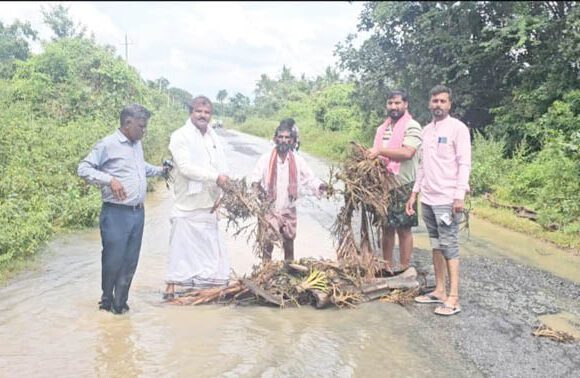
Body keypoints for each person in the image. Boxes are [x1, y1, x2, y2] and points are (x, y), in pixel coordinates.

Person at [78, 104, 167, 314]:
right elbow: (83, 168)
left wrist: (161, 170)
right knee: (113, 260)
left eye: (145, 127)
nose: (144, 131)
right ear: (127, 123)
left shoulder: (136, 144)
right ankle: (106, 301)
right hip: (116, 213)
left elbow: (141, 168)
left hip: (137, 213)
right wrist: (110, 180)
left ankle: (121, 306)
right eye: (141, 127)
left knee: (130, 262)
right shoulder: (108, 144)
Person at [406, 85, 471, 316]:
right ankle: (440, 290)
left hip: (448, 198)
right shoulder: (426, 131)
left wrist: (459, 195)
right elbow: (422, 166)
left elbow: (464, 163)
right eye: (435, 101)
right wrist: (414, 193)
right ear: (429, 103)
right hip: (429, 199)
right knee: (435, 244)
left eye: (443, 101)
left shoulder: (458, 129)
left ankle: (453, 297)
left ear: (450, 104)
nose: (438, 105)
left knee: (449, 245)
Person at [164, 96, 230, 299]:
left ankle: (204, 294)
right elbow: (185, 168)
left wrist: (224, 190)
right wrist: (215, 177)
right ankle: (176, 294)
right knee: (182, 255)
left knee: (209, 255)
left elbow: (222, 165)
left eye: (207, 112)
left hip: (209, 206)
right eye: (198, 111)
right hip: (187, 207)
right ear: (190, 112)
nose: (203, 115)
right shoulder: (179, 136)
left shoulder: (213, 137)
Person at [250, 119, 326, 262]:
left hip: (288, 209)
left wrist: (320, 186)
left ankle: (288, 275)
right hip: (270, 209)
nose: (283, 140)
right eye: (281, 137)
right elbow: (255, 179)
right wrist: (259, 192)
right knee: (267, 246)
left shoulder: (298, 161)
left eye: (287, 138)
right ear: (275, 139)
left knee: (289, 246)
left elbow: (310, 179)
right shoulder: (266, 159)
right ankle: (265, 275)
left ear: (292, 141)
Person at [366, 90, 422, 275]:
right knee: (386, 227)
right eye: (390, 103)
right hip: (384, 185)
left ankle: (405, 268)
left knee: (403, 228)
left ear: (406, 105)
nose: (394, 107)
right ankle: (386, 266)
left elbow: (407, 153)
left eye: (397, 103)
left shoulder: (412, 126)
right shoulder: (382, 129)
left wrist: (379, 151)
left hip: (403, 185)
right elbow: (376, 155)